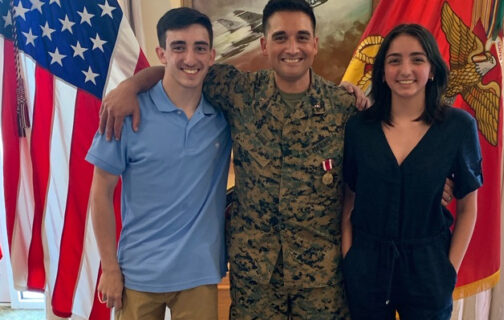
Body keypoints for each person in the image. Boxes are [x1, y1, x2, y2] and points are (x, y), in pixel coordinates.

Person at [98, 1, 452, 318]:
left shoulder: (344, 108)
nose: (292, 48)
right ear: (265, 45)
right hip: (256, 279)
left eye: (302, 37)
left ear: (315, 43)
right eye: (281, 37)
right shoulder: (238, 92)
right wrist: (128, 88)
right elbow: (182, 69)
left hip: (321, 281)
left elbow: (386, 157)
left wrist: (430, 182)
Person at [87, 8, 231, 320]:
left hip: (199, 274)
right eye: (178, 47)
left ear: (212, 55)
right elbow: (100, 192)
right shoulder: (124, 113)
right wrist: (109, 268)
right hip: (137, 274)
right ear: (161, 53)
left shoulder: (225, 115)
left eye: (200, 48)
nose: (190, 58)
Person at [341, 24, 482, 320]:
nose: (405, 69)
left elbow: (468, 207)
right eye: (394, 60)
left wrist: (448, 270)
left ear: (432, 69)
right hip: (367, 265)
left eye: (417, 59)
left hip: (429, 267)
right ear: (382, 71)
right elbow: (349, 198)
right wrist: (349, 257)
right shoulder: (359, 128)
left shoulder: (458, 127)